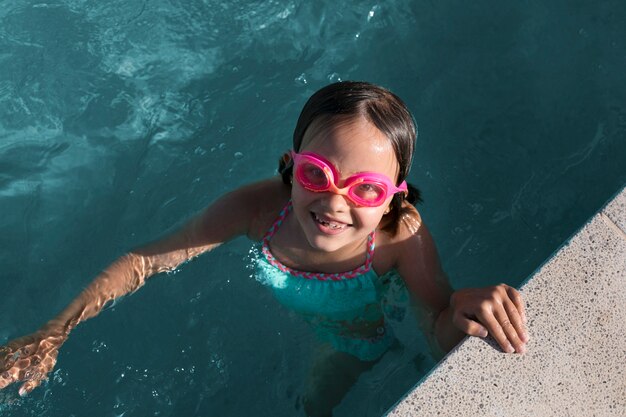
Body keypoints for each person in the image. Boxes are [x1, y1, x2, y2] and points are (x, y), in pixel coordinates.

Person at [0, 81, 528, 416]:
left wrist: (460, 312)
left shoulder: (399, 238)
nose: (334, 202)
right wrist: (56, 330)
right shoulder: (258, 210)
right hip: (309, 313)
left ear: (394, 196)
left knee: (315, 402)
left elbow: (435, 334)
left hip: (354, 334)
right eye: (316, 174)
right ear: (291, 166)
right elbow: (145, 261)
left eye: (364, 187)